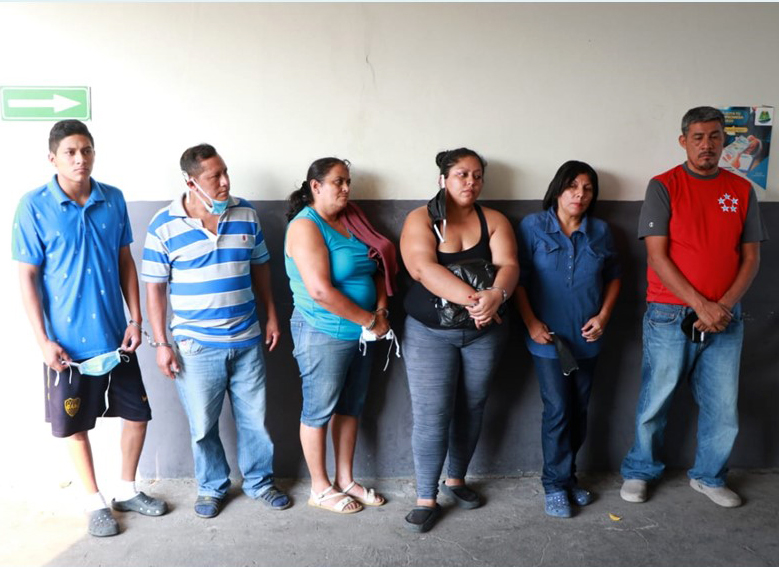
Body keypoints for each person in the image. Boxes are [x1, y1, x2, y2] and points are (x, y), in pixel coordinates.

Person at [12, 120, 167, 538]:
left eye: (86, 150)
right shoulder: (33, 206)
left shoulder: (112, 199)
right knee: (75, 426)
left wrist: (135, 319)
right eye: (70, 152)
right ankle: (93, 501)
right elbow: (27, 277)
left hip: (117, 337)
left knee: (137, 415)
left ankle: (126, 490)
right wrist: (43, 341)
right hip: (66, 344)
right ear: (53, 158)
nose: (80, 159)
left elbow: (125, 261)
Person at [620, 106, 768, 508]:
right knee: (656, 399)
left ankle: (709, 476)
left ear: (725, 141)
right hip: (669, 314)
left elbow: (751, 258)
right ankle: (640, 471)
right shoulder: (663, 186)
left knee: (723, 407)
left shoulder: (742, 190)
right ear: (683, 141)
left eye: (715, 136)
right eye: (698, 137)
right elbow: (657, 257)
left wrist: (722, 307)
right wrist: (701, 305)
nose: (707, 145)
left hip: (726, 318)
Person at [142, 144, 289, 518]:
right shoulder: (163, 225)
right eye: (214, 177)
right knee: (203, 426)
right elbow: (154, 289)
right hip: (195, 346)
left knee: (255, 420)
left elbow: (261, 268)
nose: (225, 182)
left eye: (226, 173)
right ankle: (211, 488)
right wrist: (161, 344)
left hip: (247, 339)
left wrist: (271, 316)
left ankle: (259, 483)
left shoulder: (245, 214)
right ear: (191, 182)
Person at [399, 148, 519, 532]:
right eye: (462, 174)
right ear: (443, 179)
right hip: (430, 333)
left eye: (477, 175)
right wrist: (477, 301)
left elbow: (509, 265)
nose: (471, 182)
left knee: (472, 406)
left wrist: (497, 294)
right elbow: (422, 268)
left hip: (484, 333)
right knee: (432, 414)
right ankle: (426, 497)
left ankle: (456, 480)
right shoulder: (421, 219)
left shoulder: (494, 220)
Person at [285, 157, 395, 515]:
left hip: (363, 333)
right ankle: (319, 488)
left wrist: (380, 311)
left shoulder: (351, 219)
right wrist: (370, 320)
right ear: (315, 187)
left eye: (348, 181)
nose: (347, 188)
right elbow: (319, 291)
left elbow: (377, 266)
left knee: (351, 407)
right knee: (318, 410)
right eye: (338, 182)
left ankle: (345, 479)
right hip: (323, 330)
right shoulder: (306, 226)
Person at [515, 160, 621, 518]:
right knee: (558, 409)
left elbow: (615, 276)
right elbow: (518, 279)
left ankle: (568, 476)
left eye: (588, 188)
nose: (580, 194)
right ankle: (554, 485)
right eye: (572, 186)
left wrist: (603, 317)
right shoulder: (533, 226)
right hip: (548, 339)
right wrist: (531, 322)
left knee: (578, 410)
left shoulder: (601, 231)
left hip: (587, 337)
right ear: (558, 189)